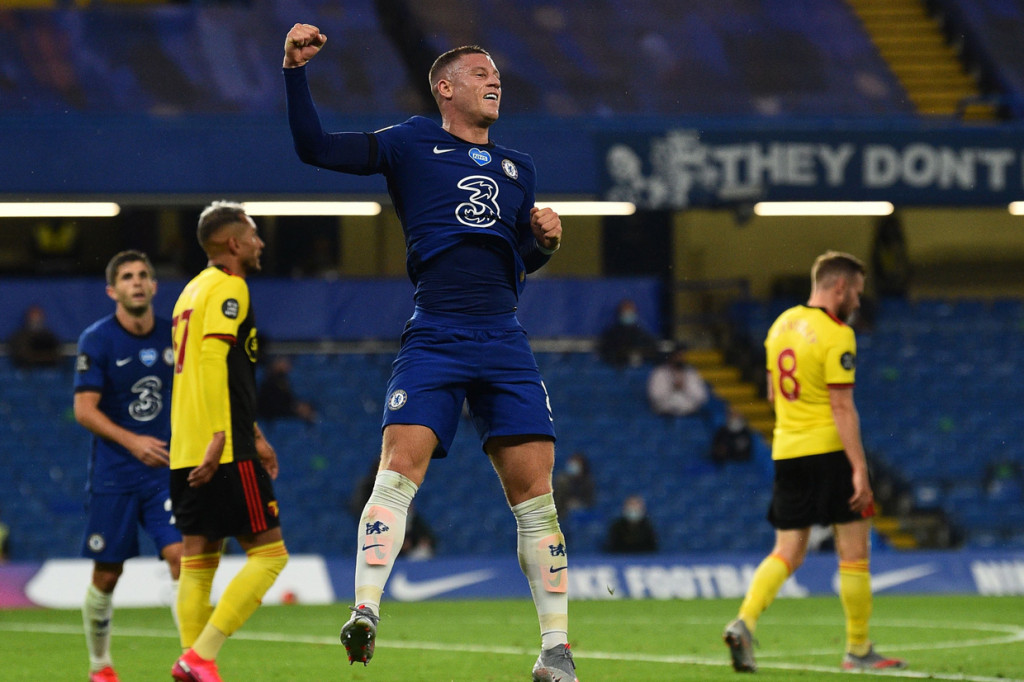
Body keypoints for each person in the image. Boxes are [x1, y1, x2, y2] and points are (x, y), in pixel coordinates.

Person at [283, 26, 577, 682]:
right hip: (437, 332)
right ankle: (365, 611)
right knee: (398, 468)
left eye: (496, 73)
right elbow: (315, 147)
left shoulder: (517, 169)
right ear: (445, 88)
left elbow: (513, 264)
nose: (494, 80)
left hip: (502, 335)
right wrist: (294, 73)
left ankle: (555, 650)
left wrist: (544, 245)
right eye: (480, 73)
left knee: (537, 494)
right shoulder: (411, 141)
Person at [722, 251, 906, 673]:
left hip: (787, 451)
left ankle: (744, 621)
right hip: (830, 452)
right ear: (839, 286)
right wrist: (859, 467)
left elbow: (771, 394)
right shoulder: (837, 333)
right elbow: (842, 407)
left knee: (787, 550)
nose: (858, 302)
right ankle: (858, 650)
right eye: (857, 292)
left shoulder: (779, 326)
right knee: (854, 554)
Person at [169, 202, 289, 682]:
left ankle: (191, 662)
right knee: (270, 556)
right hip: (222, 449)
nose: (260, 243)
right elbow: (214, 362)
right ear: (234, 243)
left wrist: (254, 434)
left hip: (185, 447)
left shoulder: (188, 292)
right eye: (254, 235)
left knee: (199, 560)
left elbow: (205, 371)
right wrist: (224, 436)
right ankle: (199, 657)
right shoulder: (229, 287)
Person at [73, 250, 182, 682]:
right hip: (114, 474)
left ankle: (192, 660)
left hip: (164, 473)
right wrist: (133, 441)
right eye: (127, 277)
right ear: (112, 290)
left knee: (181, 558)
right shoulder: (97, 339)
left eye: (143, 276)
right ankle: (100, 666)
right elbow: (84, 409)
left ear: (154, 286)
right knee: (107, 573)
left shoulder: (175, 334)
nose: (136, 282)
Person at [646, 346, 709, 418]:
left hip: (689, 414)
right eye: (677, 356)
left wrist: (684, 387)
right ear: (671, 357)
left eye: (682, 356)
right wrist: (672, 387)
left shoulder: (691, 373)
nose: (680, 358)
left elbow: (702, 397)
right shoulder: (659, 372)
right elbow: (654, 396)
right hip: (665, 414)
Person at [596, 298, 659, 368]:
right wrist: (622, 357)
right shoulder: (611, 334)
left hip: (640, 371)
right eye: (625, 311)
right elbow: (605, 352)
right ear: (619, 313)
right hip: (616, 370)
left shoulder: (642, 334)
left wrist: (640, 355)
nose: (628, 314)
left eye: (630, 311)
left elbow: (653, 350)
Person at [257, 355, 317, 424]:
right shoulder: (268, 382)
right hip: (271, 415)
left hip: (284, 412)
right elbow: (272, 403)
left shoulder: (283, 380)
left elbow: (288, 398)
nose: (287, 366)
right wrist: (293, 408)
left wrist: (296, 406)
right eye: (283, 362)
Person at [9, 303, 62, 368]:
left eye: (38, 317)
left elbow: (57, 355)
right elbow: (22, 356)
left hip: (48, 368)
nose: (36, 320)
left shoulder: (49, 337)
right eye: (34, 317)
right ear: (28, 318)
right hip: (26, 370)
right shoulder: (19, 337)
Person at [553, 451, 595, 521]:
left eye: (577, 463)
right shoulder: (562, 480)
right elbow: (557, 500)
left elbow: (591, 501)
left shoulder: (588, 482)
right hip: (562, 514)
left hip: (582, 513)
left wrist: (580, 504)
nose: (573, 465)